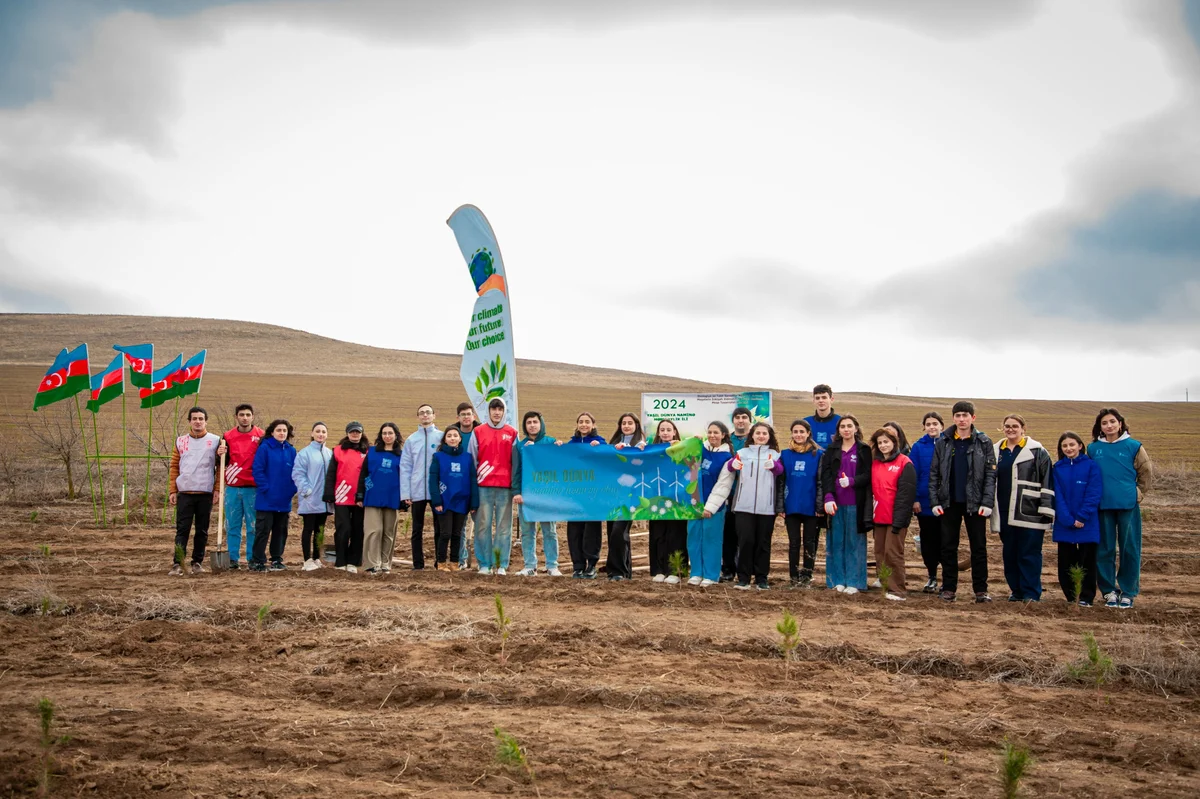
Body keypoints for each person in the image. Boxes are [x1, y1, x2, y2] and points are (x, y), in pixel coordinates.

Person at [929, 401, 997, 603]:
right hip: (949, 502)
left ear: (973, 418)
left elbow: (990, 475)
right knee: (948, 546)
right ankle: (948, 588)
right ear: (953, 418)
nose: (961, 419)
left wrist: (987, 502)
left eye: (965, 415)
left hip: (975, 504)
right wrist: (934, 501)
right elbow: (934, 474)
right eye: (958, 415)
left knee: (978, 547)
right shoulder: (944, 442)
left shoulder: (984, 442)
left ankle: (981, 590)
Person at [704, 422, 784, 590]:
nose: (761, 436)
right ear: (752, 435)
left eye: (764, 433)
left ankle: (762, 578)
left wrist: (774, 467)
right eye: (758, 433)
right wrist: (732, 465)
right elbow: (729, 467)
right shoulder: (742, 453)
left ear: (769, 436)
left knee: (763, 543)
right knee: (745, 541)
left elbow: (780, 471)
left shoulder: (775, 455)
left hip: (766, 507)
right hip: (743, 506)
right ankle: (743, 578)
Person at [1087, 407, 1152, 609]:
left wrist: (1137, 495)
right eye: (1104, 423)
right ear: (1100, 427)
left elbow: (1146, 473)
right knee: (1104, 549)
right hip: (1102, 506)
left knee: (1129, 548)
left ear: (1120, 424)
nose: (1109, 426)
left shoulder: (1133, 446)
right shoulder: (1093, 448)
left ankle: (1128, 591)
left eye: (1112, 422)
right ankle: (1108, 591)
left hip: (1127, 505)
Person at [992, 414, 1055, 602]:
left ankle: (1031, 593)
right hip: (1004, 510)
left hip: (1030, 510)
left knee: (1029, 552)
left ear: (1023, 428)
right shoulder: (995, 451)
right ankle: (1016, 590)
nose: (1011, 429)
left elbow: (1047, 479)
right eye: (1007, 426)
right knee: (1010, 552)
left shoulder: (1038, 451)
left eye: (1015, 426)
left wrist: (1046, 508)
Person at [168, 406, 226, 575]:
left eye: (201, 419)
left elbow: (220, 467)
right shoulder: (181, 441)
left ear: (206, 421)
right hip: (185, 492)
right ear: (189, 421)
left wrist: (217, 490)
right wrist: (173, 490)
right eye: (194, 419)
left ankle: (197, 562)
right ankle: (178, 563)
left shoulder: (216, 441)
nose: (198, 422)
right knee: (182, 530)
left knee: (202, 530)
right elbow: (174, 466)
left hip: (205, 492)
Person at [819, 415, 873, 594]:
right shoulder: (832, 449)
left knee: (854, 543)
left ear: (856, 428)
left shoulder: (864, 450)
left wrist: (852, 481)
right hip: (836, 503)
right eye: (843, 426)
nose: (846, 429)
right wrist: (828, 496)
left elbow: (868, 475)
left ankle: (854, 581)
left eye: (850, 426)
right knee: (836, 542)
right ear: (839, 430)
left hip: (855, 503)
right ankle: (837, 580)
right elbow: (825, 474)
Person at [1052, 432, 1103, 606]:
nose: (1069, 449)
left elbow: (1094, 493)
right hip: (1064, 523)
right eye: (1065, 446)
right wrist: (1066, 519)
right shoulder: (1057, 468)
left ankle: (1086, 597)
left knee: (1087, 561)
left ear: (1080, 446)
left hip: (1087, 522)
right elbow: (1057, 496)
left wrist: (1082, 516)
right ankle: (1071, 597)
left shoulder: (1091, 466)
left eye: (1072, 445)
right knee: (1066, 562)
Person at [468, 397, 518, 575]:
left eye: (500, 409)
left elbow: (516, 462)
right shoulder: (478, 431)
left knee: (504, 528)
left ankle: (500, 564)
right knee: (483, 526)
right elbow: (471, 460)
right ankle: (484, 564)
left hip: (505, 487)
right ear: (488, 411)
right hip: (483, 487)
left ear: (504, 411)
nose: (497, 412)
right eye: (493, 409)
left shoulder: (512, 433)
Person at [511, 410, 562, 577]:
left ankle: (552, 565)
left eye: (535, 422)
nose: (532, 425)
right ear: (525, 426)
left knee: (550, 530)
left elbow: (558, 467)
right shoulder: (520, 445)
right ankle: (530, 566)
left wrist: (560, 449)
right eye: (529, 423)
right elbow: (516, 470)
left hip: (546, 495)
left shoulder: (551, 442)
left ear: (541, 424)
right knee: (527, 531)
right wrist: (516, 492)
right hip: (526, 495)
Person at [869, 427, 917, 601]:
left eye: (886, 442)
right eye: (880, 442)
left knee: (893, 552)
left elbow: (906, 495)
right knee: (880, 552)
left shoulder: (905, 463)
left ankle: (898, 589)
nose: (883, 445)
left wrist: (900, 521)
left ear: (894, 442)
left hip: (896, 517)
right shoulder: (875, 463)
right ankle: (885, 584)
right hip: (879, 516)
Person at [559, 412, 605, 578]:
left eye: (587, 422)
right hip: (575, 494)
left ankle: (591, 565)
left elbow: (606, 462)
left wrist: (599, 450)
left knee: (591, 530)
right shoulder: (572, 444)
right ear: (577, 425)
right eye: (581, 422)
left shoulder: (600, 443)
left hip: (593, 494)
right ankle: (577, 565)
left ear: (593, 425)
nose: (584, 424)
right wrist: (558, 446)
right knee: (575, 530)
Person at [250, 419, 298, 572]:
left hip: (284, 500)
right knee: (263, 531)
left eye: (284, 430)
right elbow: (258, 470)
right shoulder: (265, 448)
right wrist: (266, 488)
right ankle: (257, 560)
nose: (282, 433)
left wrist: (291, 490)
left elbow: (296, 474)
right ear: (272, 432)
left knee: (280, 531)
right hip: (266, 499)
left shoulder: (291, 450)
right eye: (279, 430)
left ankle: (276, 559)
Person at [689, 422, 733, 587]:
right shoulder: (700, 449)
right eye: (710, 432)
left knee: (711, 540)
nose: (712, 435)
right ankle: (696, 572)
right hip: (694, 503)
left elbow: (723, 485)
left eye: (716, 432)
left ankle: (711, 574)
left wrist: (710, 507)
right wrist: (692, 442)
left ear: (723, 435)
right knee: (694, 538)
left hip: (713, 508)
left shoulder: (727, 457)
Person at [780, 419, 823, 587]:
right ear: (792, 433)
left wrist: (820, 506)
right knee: (794, 543)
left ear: (808, 434)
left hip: (811, 506)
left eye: (801, 431)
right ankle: (793, 576)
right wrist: (780, 506)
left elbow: (820, 481)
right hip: (791, 506)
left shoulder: (818, 454)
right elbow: (781, 482)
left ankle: (807, 576)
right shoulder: (785, 454)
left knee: (810, 542)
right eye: (795, 431)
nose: (798, 434)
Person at [646, 419, 689, 584]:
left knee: (676, 534)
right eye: (662, 429)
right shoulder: (651, 451)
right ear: (658, 433)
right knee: (658, 535)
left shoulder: (682, 448)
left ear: (674, 432)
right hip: (656, 499)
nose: (665, 432)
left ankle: (676, 571)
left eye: (668, 429)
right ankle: (659, 569)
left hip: (677, 499)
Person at [429, 426, 479, 569]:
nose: (452, 438)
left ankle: (454, 562)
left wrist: (473, 503)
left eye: (455, 436)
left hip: (462, 502)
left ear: (460, 439)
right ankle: (441, 562)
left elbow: (472, 480)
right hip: (444, 501)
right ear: (445, 439)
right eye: (449, 436)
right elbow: (433, 480)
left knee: (457, 534)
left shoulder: (467, 457)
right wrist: (436, 500)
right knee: (445, 533)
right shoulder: (438, 457)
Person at [400, 404, 442, 571]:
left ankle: (440, 562)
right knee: (417, 529)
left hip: (436, 490)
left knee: (439, 527)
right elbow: (405, 467)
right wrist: (406, 492)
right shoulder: (411, 440)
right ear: (418, 417)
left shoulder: (441, 437)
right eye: (422, 413)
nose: (425, 415)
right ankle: (418, 565)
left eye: (428, 412)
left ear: (434, 415)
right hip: (417, 490)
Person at [221, 403, 263, 570]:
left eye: (248, 414)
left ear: (252, 416)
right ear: (236, 417)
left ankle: (252, 558)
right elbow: (220, 461)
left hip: (253, 487)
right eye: (241, 415)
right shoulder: (227, 436)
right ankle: (233, 559)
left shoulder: (261, 436)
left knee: (253, 526)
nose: (245, 417)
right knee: (233, 525)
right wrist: (219, 454)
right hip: (233, 487)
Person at [323, 422, 369, 572]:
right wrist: (328, 493)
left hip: (360, 497)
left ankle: (353, 562)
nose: (355, 434)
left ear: (362, 433)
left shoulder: (368, 451)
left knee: (358, 529)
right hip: (342, 495)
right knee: (343, 529)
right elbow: (331, 474)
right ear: (347, 433)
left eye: (357, 432)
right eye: (352, 432)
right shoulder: (337, 451)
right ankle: (340, 561)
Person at [360, 422, 404, 574]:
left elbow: (405, 477)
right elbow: (363, 473)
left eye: (390, 433)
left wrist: (405, 498)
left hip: (393, 497)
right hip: (372, 496)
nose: (387, 436)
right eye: (384, 433)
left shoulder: (402, 455)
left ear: (396, 435)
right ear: (380, 436)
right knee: (374, 530)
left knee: (388, 532)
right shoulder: (371, 452)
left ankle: (385, 563)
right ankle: (372, 564)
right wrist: (360, 494)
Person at [605, 413, 645, 581]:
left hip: (630, 497)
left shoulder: (642, 444)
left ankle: (617, 571)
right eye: (623, 423)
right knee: (612, 533)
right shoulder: (612, 444)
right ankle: (623, 571)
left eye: (630, 423)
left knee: (618, 532)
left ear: (636, 425)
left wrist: (641, 451)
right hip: (613, 495)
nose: (627, 426)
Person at [292, 421, 332, 571]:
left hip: (324, 500)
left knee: (320, 529)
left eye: (323, 431)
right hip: (310, 499)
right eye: (318, 431)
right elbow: (298, 473)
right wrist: (306, 490)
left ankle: (316, 557)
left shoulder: (329, 453)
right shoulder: (304, 453)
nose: (320, 434)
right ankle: (306, 559)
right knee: (308, 528)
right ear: (312, 433)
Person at [721, 406, 754, 582]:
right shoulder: (727, 440)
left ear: (750, 420)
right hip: (730, 492)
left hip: (750, 494)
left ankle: (745, 570)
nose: (741, 420)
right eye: (737, 417)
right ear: (733, 421)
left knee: (746, 535)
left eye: (744, 417)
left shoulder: (756, 439)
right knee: (728, 534)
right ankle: (728, 570)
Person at [451, 403, 480, 569]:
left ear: (473, 416)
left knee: (480, 524)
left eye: (469, 414)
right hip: (458, 485)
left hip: (478, 484)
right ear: (458, 417)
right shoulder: (452, 435)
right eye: (462, 414)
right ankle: (461, 560)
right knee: (459, 525)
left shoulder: (480, 433)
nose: (466, 417)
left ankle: (482, 561)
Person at [804, 384, 841, 449]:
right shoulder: (805, 423)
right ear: (814, 401)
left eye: (824, 397)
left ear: (831, 399)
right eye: (817, 398)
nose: (821, 401)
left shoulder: (840, 422)